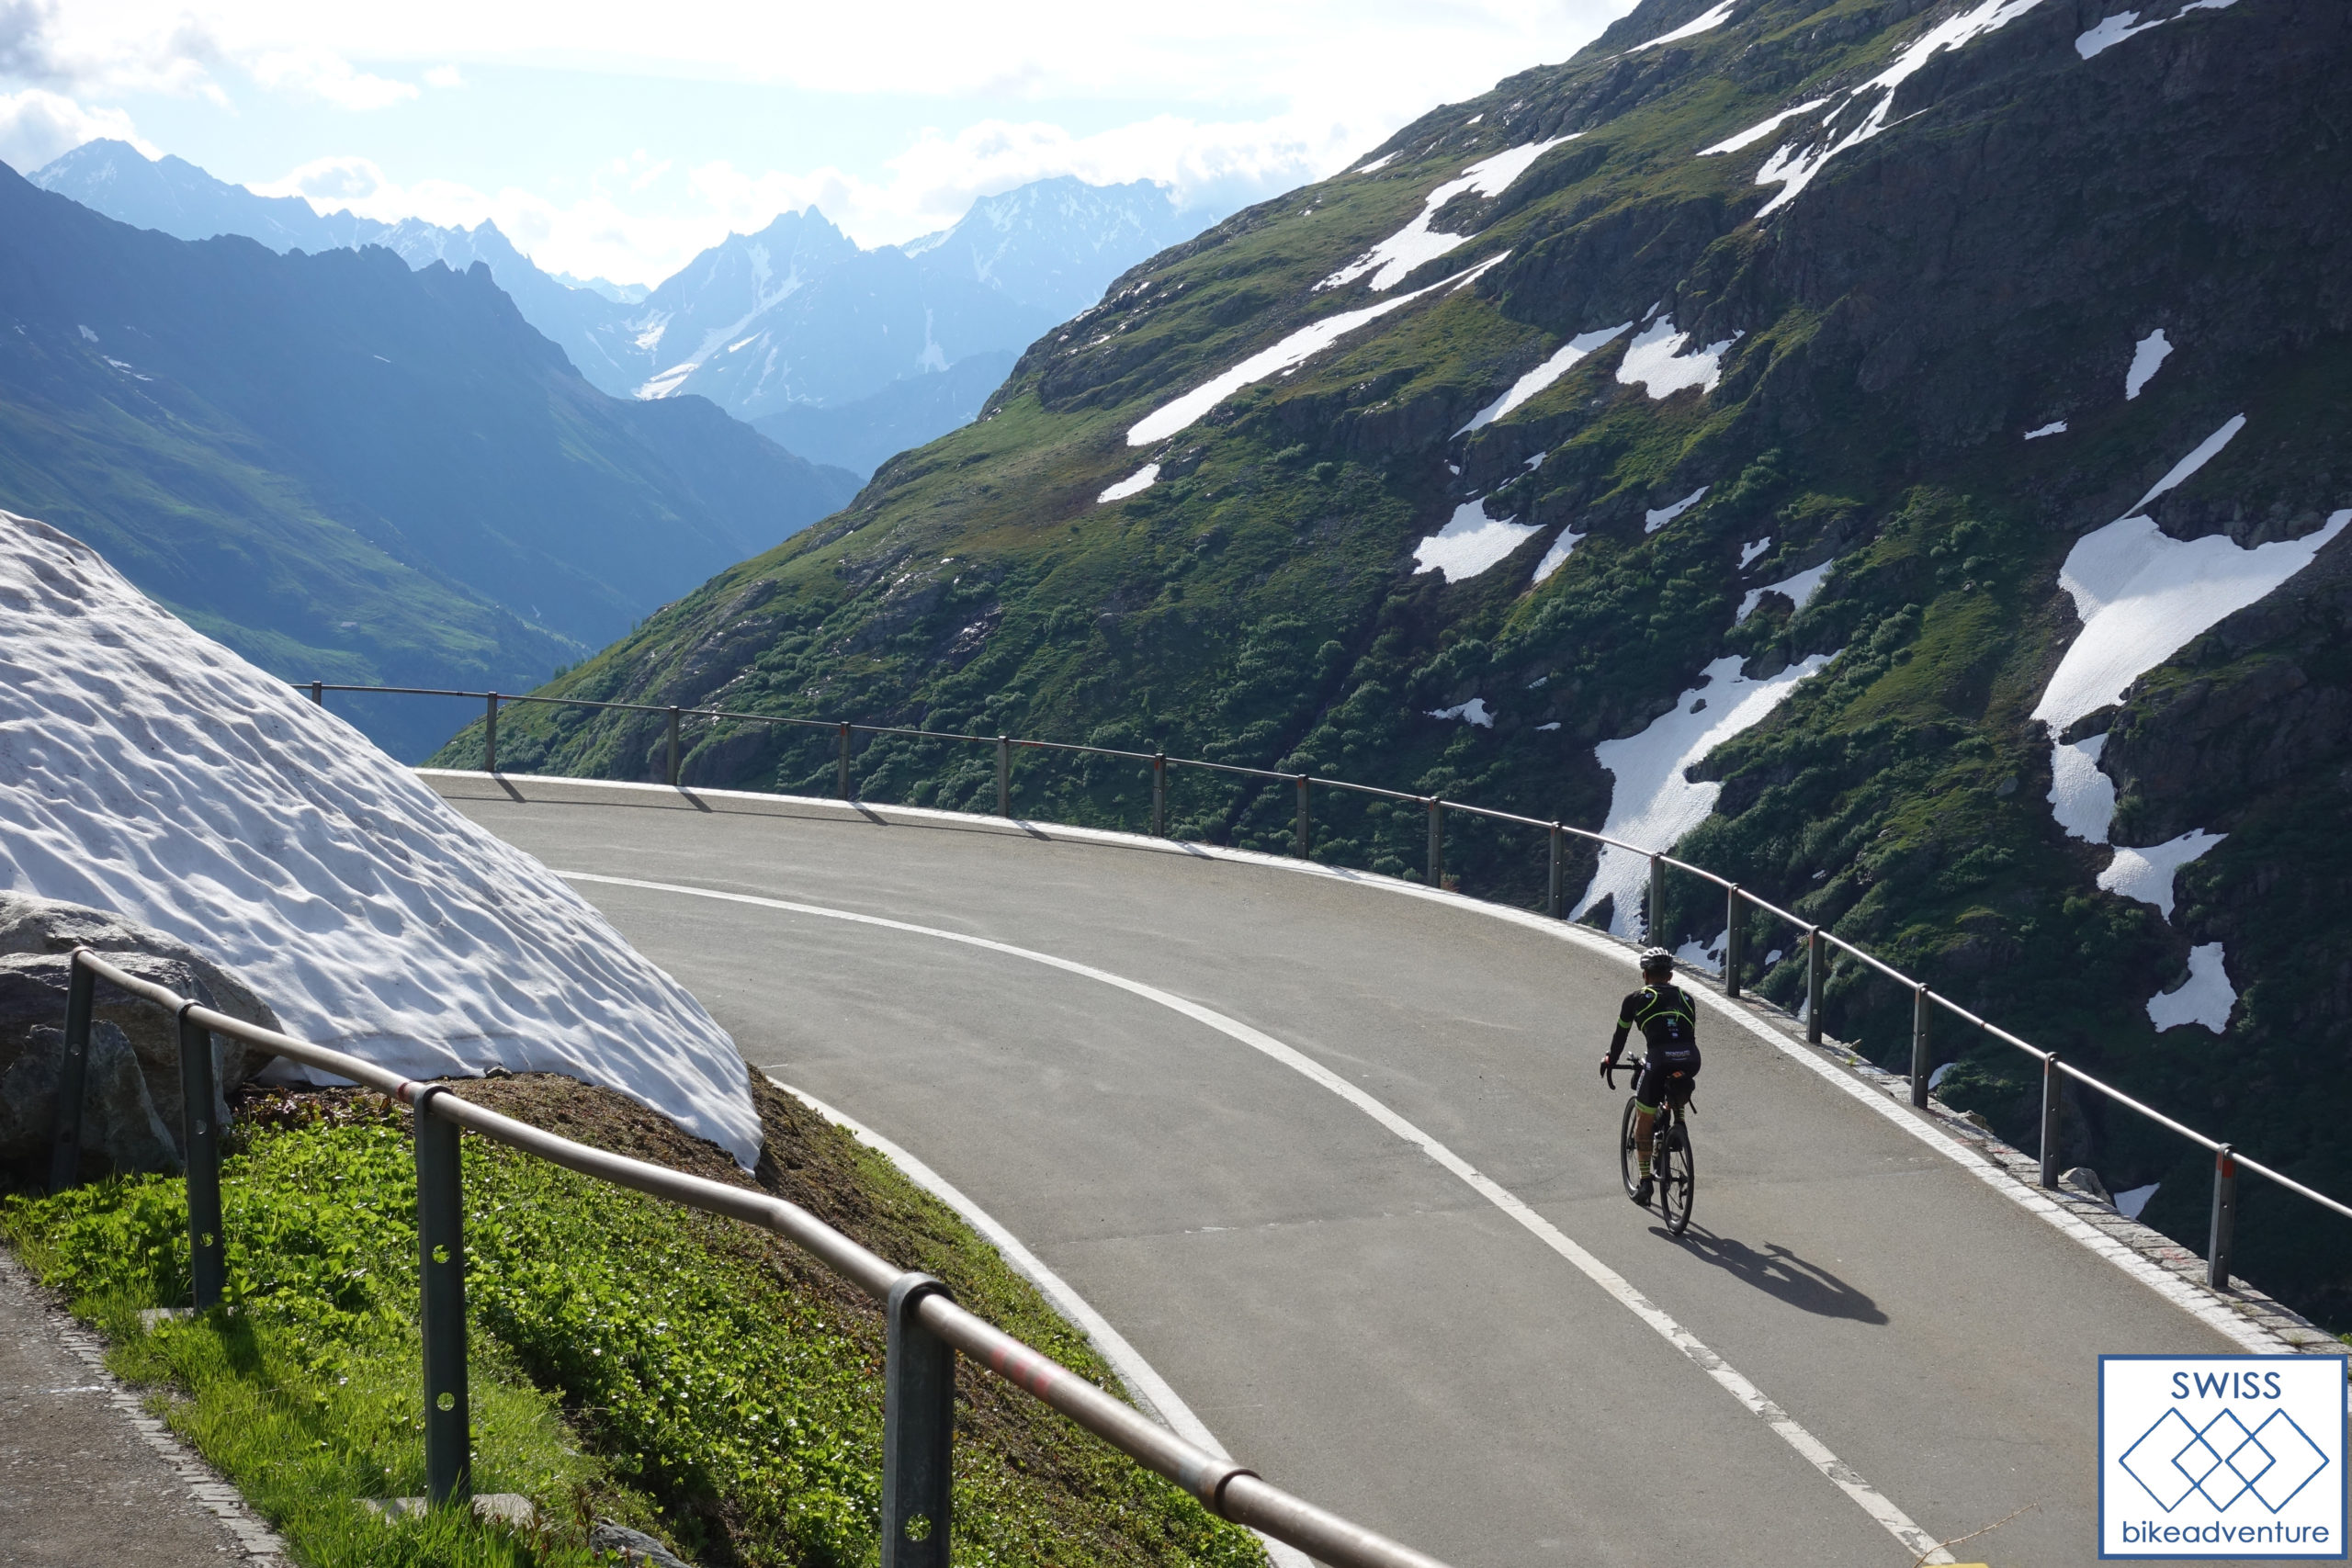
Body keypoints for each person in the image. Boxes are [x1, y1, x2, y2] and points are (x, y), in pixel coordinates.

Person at [1600, 946, 1701, 1207]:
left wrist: (1611, 1059)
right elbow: (1684, 1036)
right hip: (1690, 1059)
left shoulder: (1635, 999)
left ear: (1645, 975)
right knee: (1677, 1083)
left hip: (1658, 1060)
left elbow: (1620, 1036)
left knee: (1644, 1118)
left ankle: (1645, 1182)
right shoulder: (1688, 999)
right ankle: (1678, 1124)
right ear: (1669, 976)